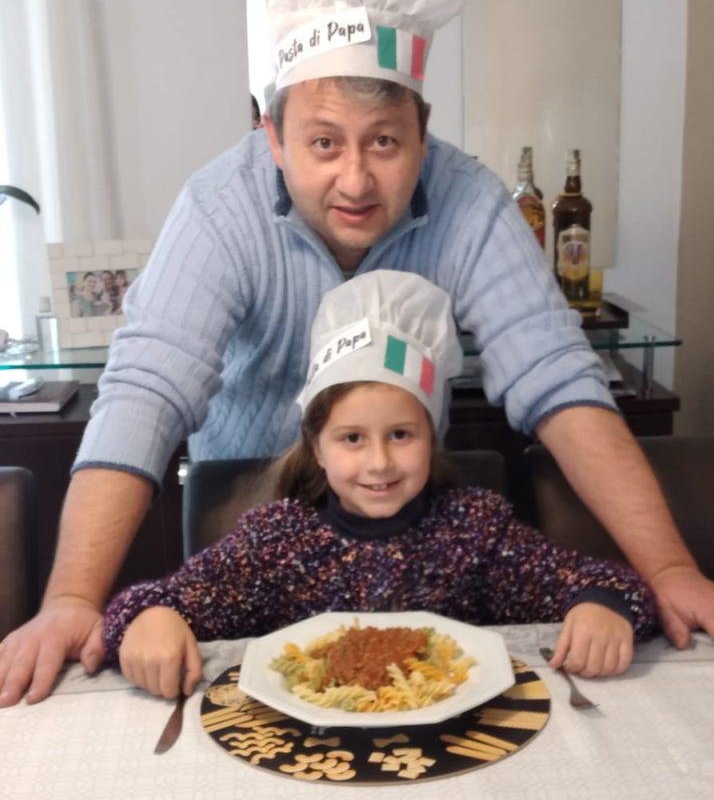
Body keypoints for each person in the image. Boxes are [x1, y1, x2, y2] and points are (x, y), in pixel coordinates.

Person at [1, 0, 714, 709]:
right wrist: (71, 598)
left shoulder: (473, 204)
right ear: (273, 138)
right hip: (250, 528)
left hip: (415, 530)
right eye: (324, 143)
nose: (355, 181)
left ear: (423, 132)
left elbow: (554, 375)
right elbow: (146, 392)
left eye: (384, 142)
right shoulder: (216, 210)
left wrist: (670, 570)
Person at [104, 271, 658, 699]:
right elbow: (156, 602)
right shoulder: (276, 539)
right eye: (352, 438)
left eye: (400, 434)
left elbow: (605, 583)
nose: (378, 462)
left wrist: (602, 606)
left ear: (431, 438)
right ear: (316, 447)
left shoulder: (474, 530)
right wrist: (152, 619)